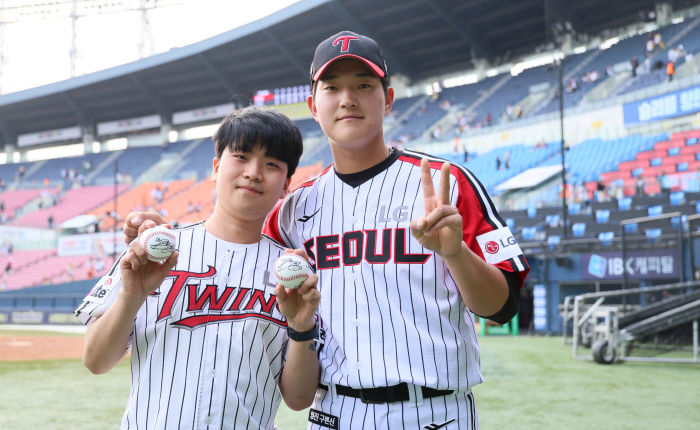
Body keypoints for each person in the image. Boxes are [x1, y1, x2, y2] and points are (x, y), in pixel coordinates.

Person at [125, 31, 528, 429]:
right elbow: (232, 251)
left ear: (387, 99)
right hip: (333, 411)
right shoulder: (291, 210)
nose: (347, 98)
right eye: (332, 87)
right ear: (313, 106)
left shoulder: (445, 183)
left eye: (363, 85)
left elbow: (503, 306)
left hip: (434, 411)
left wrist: (455, 254)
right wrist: (163, 236)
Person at [79, 106, 322, 429]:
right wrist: (131, 296)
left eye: (272, 164)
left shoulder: (292, 276)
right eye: (241, 156)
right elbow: (96, 361)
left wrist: (301, 326)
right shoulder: (153, 252)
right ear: (216, 167)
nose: (253, 172)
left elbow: (298, 399)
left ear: (287, 184)